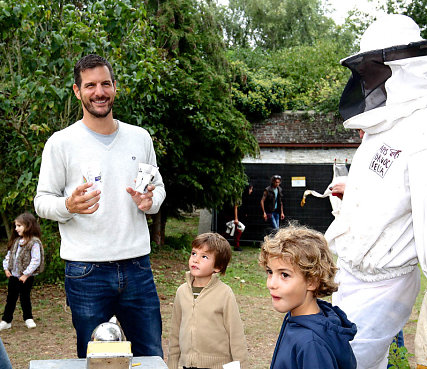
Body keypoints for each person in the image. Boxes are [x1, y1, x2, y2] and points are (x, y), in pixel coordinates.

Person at [325, 15, 427, 369]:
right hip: (347, 273)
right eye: (367, 67)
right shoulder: (384, 125)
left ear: (403, 64)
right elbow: (385, 190)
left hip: (383, 283)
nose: (369, 77)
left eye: (375, 66)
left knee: (344, 363)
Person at [34, 54, 166, 358]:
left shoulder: (139, 137)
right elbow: (42, 202)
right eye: (90, 85)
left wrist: (150, 201)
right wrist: (68, 205)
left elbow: (157, 190)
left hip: (137, 266)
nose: (99, 92)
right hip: (85, 271)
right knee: (95, 359)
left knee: (150, 355)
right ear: (77, 91)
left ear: (115, 87)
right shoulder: (60, 143)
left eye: (105, 83)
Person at [259, 225, 357, 369]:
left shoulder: (311, 344)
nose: (271, 284)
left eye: (284, 275)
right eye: (270, 272)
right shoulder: (297, 318)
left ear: (312, 281)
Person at [168, 232, 247, 369]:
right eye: (193, 253)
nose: (195, 260)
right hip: (186, 365)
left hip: (217, 366)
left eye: (204, 256)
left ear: (218, 267)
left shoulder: (225, 294)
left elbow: (236, 336)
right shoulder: (182, 292)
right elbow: (175, 332)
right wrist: (172, 365)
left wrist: (241, 366)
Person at [0, 212, 44, 331]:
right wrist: (6, 268)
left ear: (28, 226)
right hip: (14, 275)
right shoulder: (16, 241)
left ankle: (28, 318)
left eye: (19, 225)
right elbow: (9, 255)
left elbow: (36, 260)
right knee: (11, 298)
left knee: (25, 297)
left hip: (26, 276)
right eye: (15, 226)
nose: (16, 228)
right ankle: (6, 320)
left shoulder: (34, 242)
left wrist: (26, 274)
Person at [232, 183, 253, 251]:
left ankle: (236, 245)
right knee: (237, 231)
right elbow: (236, 207)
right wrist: (236, 218)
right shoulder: (239, 197)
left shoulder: (246, 197)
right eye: (250, 189)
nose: (251, 191)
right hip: (237, 217)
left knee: (238, 231)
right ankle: (236, 246)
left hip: (241, 216)